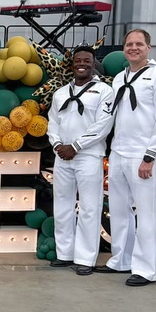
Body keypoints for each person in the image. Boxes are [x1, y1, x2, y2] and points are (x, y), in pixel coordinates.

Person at [84, 29, 156, 286]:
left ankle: (146, 269)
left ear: (149, 47)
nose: (133, 48)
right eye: (129, 44)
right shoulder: (119, 78)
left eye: (139, 44)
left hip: (143, 154)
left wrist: (151, 155)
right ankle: (121, 260)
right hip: (119, 151)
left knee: (146, 212)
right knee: (118, 209)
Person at [46, 46, 113, 275]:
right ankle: (65, 253)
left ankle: (85, 259)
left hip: (88, 155)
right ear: (72, 64)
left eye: (86, 60)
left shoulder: (104, 91)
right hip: (62, 155)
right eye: (78, 60)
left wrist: (76, 146)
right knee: (62, 205)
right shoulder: (61, 93)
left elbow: (103, 125)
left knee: (89, 207)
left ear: (93, 64)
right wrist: (57, 144)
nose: (81, 63)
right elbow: (52, 122)